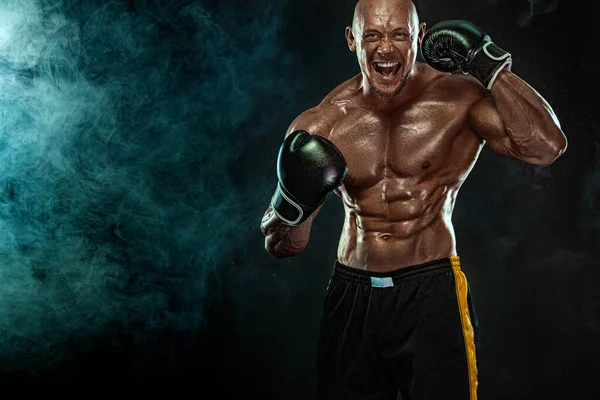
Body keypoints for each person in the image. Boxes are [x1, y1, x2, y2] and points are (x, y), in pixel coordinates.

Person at [260, 0, 567, 398]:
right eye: (372, 35)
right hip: (352, 296)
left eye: (399, 34)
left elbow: (546, 147)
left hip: (431, 291)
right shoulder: (321, 124)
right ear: (352, 40)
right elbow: (282, 245)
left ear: (420, 37)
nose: (386, 49)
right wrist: (291, 202)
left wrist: (488, 65)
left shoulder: (458, 99)